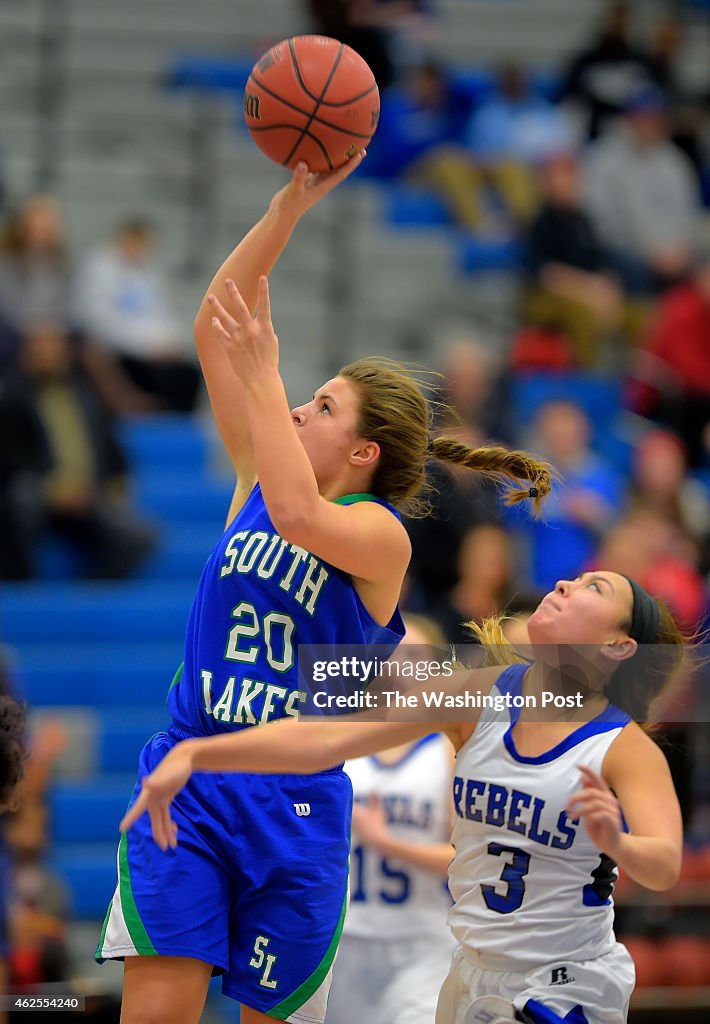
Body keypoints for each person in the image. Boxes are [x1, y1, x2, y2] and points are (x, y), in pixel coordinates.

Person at [95, 154, 554, 1024]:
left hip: (295, 802)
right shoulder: (253, 480)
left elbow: (305, 518)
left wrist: (266, 373)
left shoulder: (378, 537)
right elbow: (212, 326)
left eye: (323, 405)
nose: (298, 410)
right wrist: (286, 209)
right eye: (302, 398)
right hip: (192, 779)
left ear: (364, 454)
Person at [123, 569, 686, 1024]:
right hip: (470, 970)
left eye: (595, 587)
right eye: (574, 578)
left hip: (567, 979)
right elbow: (328, 734)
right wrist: (200, 753)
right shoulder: (477, 692)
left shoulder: (625, 749)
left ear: (618, 645)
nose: (565, 584)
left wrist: (618, 841)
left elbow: (664, 866)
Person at [326, 613, 456, 1024]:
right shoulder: (342, 737)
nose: (402, 665)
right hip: (342, 940)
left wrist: (388, 843)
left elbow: (466, 857)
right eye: (394, 653)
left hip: (422, 943)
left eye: (416, 655)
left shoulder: (449, 749)